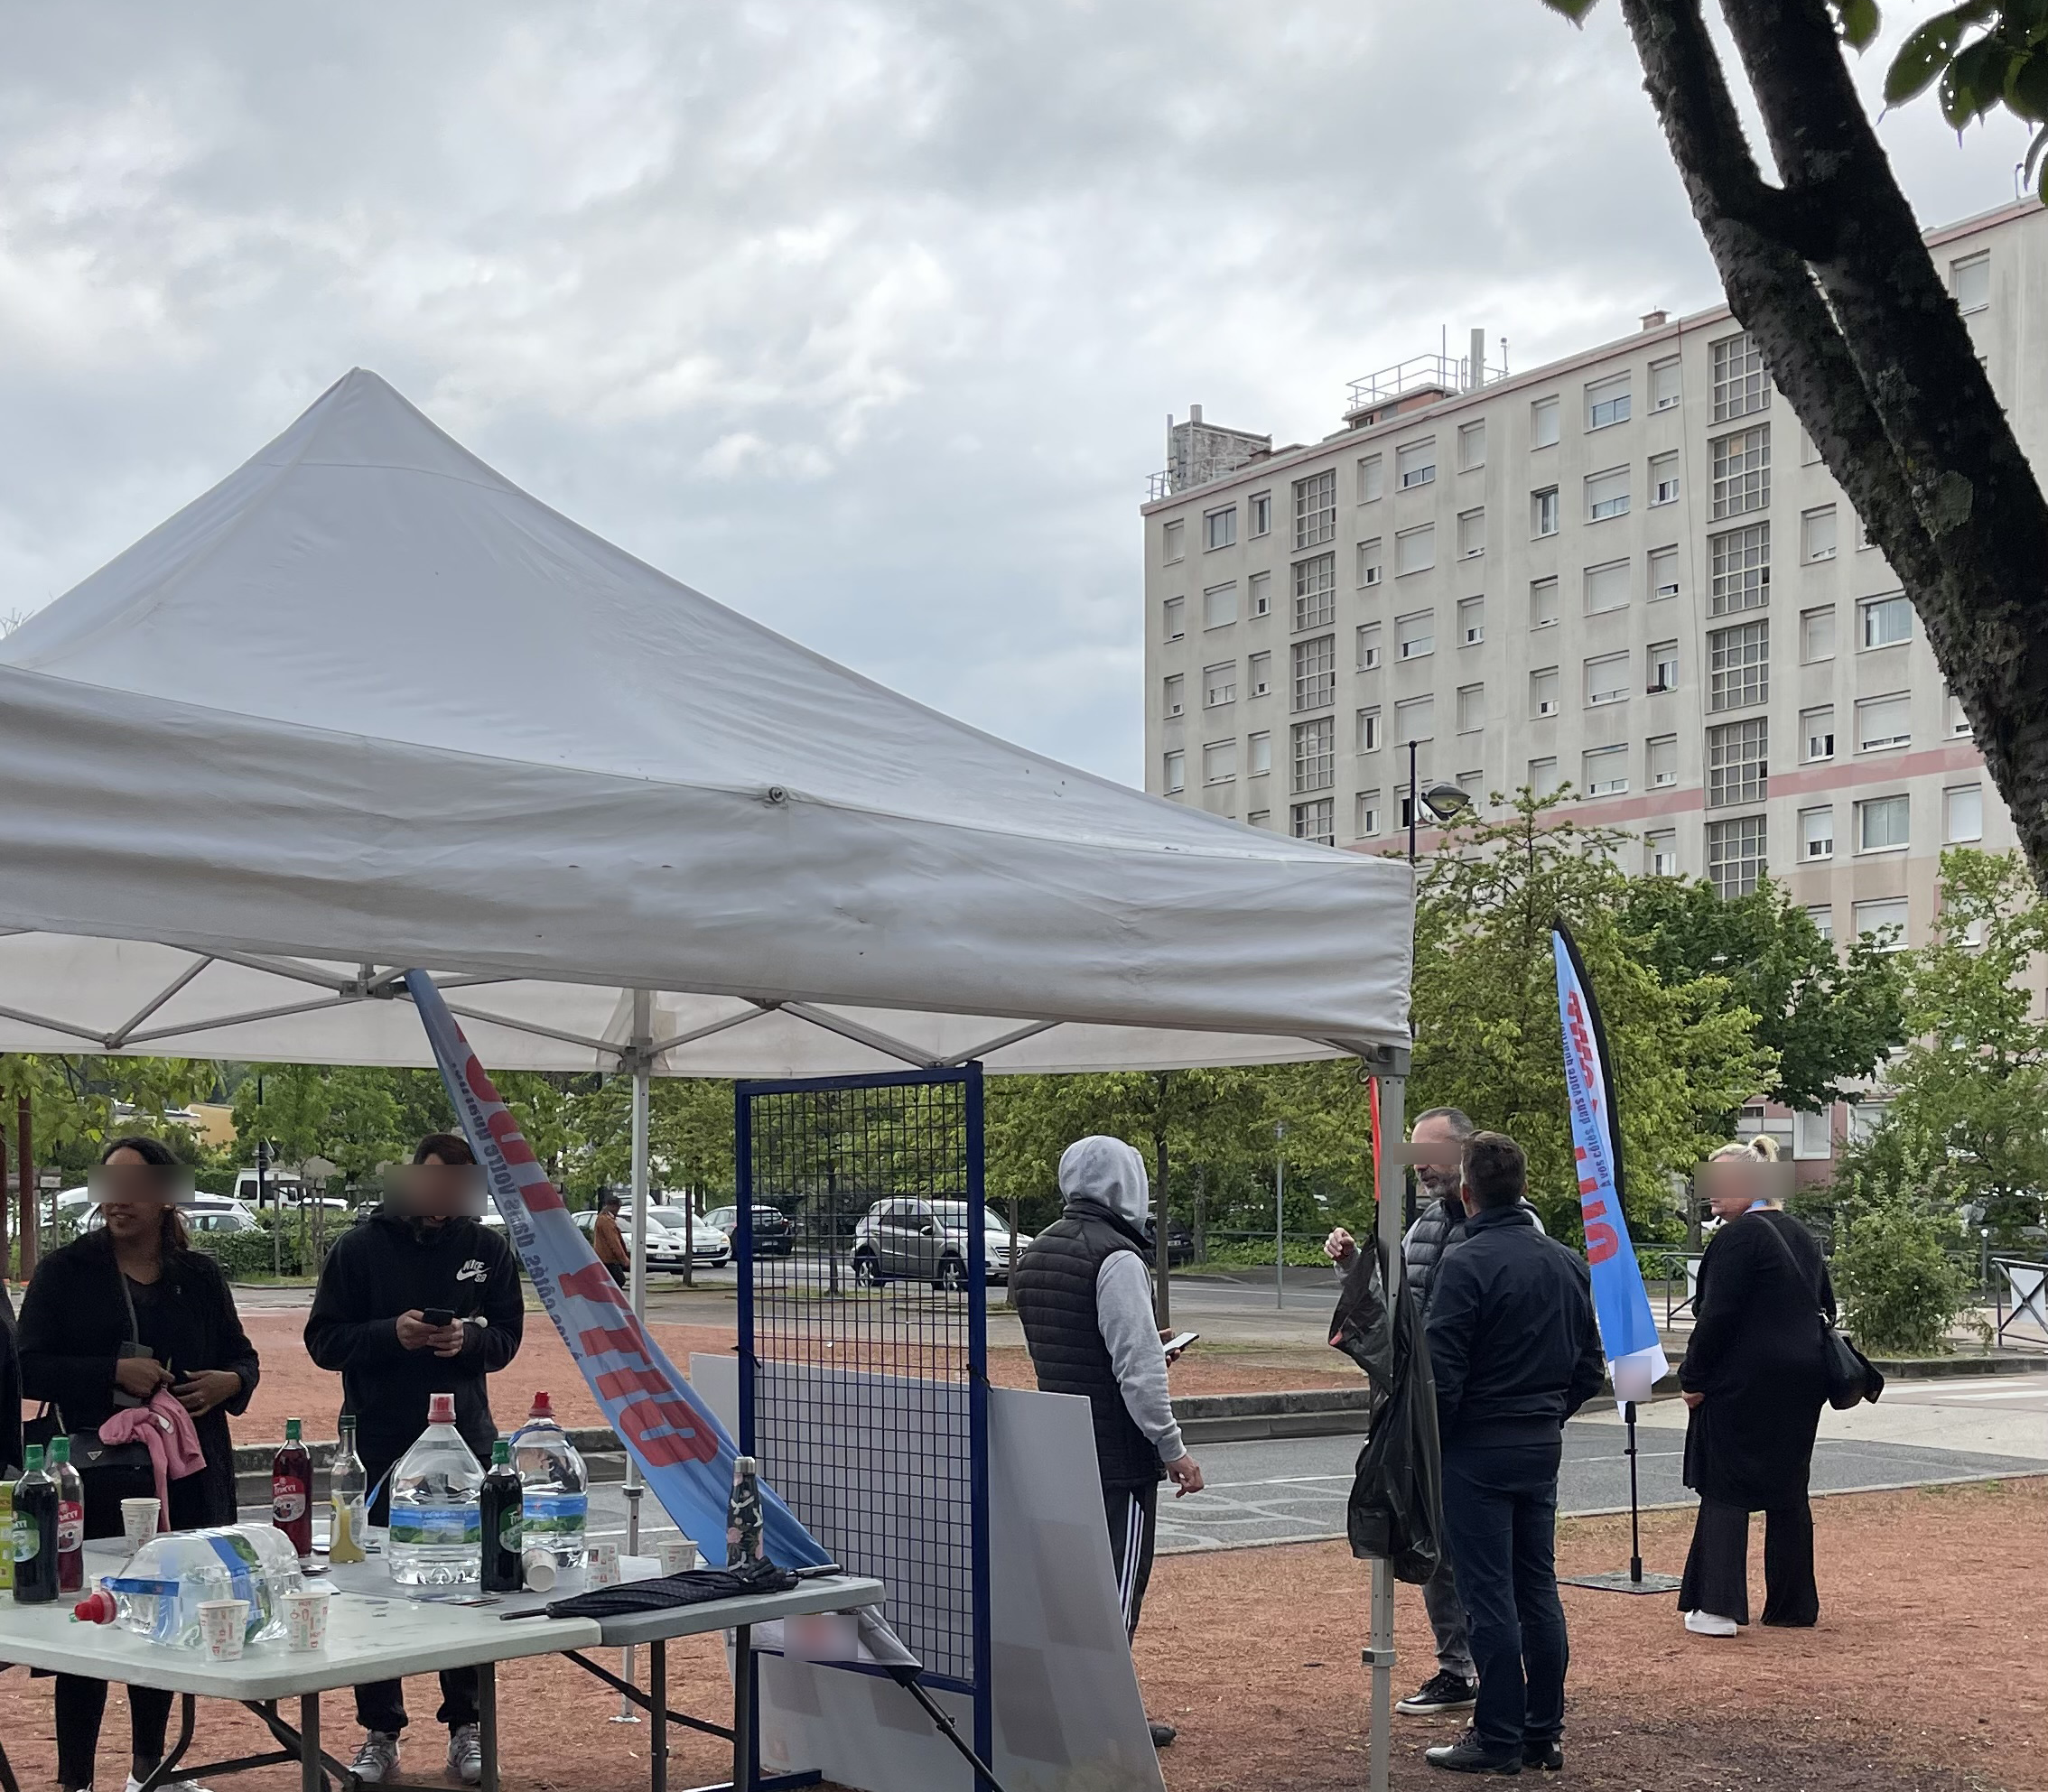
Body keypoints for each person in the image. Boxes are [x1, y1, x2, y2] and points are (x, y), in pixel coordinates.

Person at [18, 1136, 261, 1792]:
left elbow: (244, 1356)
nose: (118, 1198)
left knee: (167, 1613)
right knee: (88, 1625)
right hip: (95, 1477)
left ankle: (152, 1767)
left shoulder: (199, 1274)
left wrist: (228, 1384)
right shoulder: (67, 1271)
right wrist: (110, 1371)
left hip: (186, 1472)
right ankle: (76, 1780)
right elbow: (26, 1366)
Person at [305, 1133, 524, 1787]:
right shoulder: (358, 1247)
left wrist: (471, 1339)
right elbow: (323, 1339)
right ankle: (380, 1728)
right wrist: (387, 1334)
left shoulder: (485, 1248)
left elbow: (508, 1335)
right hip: (378, 1440)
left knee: (463, 1584)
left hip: (466, 1441)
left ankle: (467, 1723)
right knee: (374, 1589)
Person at [1324, 1104, 1547, 1720]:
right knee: (1435, 1546)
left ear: (1467, 1155)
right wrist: (1351, 1268)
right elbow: (1397, 1319)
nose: (1420, 1162)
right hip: (1428, 1419)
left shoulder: (1519, 1233)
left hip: (1483, 1425)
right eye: (1412, 1151)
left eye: (1432, 1151)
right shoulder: (1421, 1231)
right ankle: (1460, 1667)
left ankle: (1508, 1690)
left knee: (1497, 1562)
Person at [1010, 1135, 1204, 1752]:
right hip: (1115, 1454)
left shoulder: (1038, 1251)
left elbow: (1072, 1343)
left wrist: (1142, 1337)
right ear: (1128, 1185)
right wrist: (1173, 1447)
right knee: (1116, 1589)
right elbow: (1136, 1372)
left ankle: (1070, 1703)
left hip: (1059, 1443)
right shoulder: (1117, 1257)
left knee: (1067, 1586)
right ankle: (1102, 1718)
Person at [1422, 1131, 1603, 1776]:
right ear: (1524, 1187)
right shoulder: (1565, 1261)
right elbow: (1589, 1365)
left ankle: (1496, 1732)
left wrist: (1435, 1445)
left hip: (1478, 1444)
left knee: (1487, 1593)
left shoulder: (1464, 1262)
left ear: (1467, 1192)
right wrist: (1549, 1410)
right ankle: (1541, 1729)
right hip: (1538, 1438)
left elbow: (1442, 1371)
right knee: (1537, 1586)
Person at [1676, 1135, 1829, 1636]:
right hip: (1802, 1378)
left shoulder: (1738, 1238)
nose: (1711, 1195)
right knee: (1789, 1489)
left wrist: (1693, 1377)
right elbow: (1827, 1303)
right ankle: (1793, 1603)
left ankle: (1717, 1606)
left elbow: (1716, 1317)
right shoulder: (1800, 1234)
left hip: (1743, 1382)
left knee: (1725, 1485)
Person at [592, 1191, 629, 1288]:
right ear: (614, 1206)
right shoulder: (606, 1221)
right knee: (619, 1280)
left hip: (604, 1257)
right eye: (618, 1208)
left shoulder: (602, 1218)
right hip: (608, 1258)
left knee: (611, 1282)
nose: (618, 1211)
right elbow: (613, 1242)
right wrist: (624, 1259)